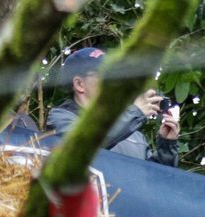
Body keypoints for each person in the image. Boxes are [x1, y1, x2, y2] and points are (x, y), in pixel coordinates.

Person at [46, 47, 181, 167]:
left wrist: (166, 146)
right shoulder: (62, 117)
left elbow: (152, 182)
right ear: (79, 84)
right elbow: (81, 148)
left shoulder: (132, 133)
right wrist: (136, 113)